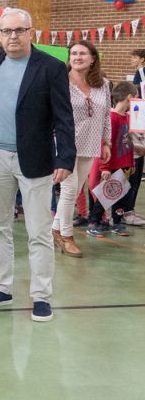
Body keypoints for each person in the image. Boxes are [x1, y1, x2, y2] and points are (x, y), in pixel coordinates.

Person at [0, 7, 75, 323]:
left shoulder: (51, 67)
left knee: (39, 231)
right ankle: (2, 288)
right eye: (6, 31)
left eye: (19, 30)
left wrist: (65, 158)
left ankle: (42, 296)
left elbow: (64, 117)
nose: (12, 36)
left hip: (35, 159)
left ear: (31, 32)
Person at [51, 41, 111, 255]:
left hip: (91, 142)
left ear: (93, 58)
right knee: (68, 190)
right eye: (73, 53)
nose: (77, 57)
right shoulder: (61, 81)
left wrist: (106, 141)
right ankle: (66, 236)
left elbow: (106, 116)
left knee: (76, 190)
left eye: (82, 53)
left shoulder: (103, 84)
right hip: (65, 143)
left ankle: (55, 229)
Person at [87, 82, 140, 236]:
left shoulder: (128, 118)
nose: (137, 99)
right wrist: (105, 168)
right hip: (113, 165)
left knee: (121, 196)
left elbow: (128, 143)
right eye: (136, 96)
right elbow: (106, 145)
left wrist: (132, 162)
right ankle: (94, 222)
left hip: (125, 165)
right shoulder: (112, 118)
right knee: (107, 196)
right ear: (129, 97)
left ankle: (116, 222)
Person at [124, 48, 145, 227]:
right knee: (133, 168)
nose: (132, 60)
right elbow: (137, 101)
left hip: (140, 120)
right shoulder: (139, 74)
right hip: (138, 121)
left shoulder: (140, 72)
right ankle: (125, 211)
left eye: (135, 57)